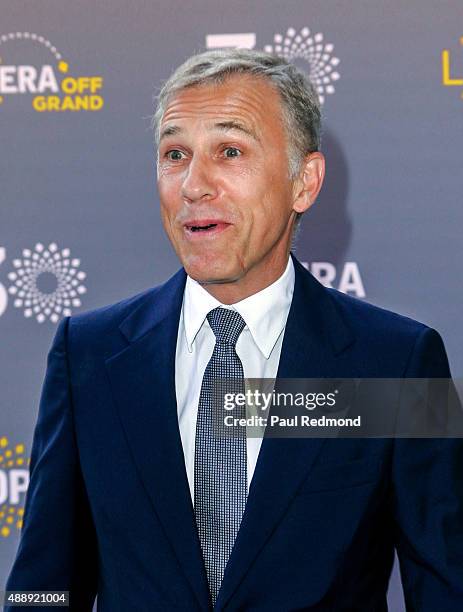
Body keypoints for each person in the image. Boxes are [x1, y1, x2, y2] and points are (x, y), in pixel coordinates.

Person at [5, 49, 463, 611]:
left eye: (229, 151)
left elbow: (446, 588)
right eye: (175, 154)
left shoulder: (396, 362)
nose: (194, 185)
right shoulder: (90, 357)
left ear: (304, 182)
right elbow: (42, 589)